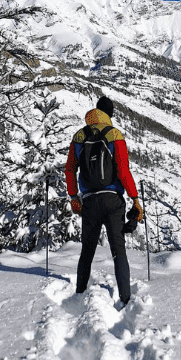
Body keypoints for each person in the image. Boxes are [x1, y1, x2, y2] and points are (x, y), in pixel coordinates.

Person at [65, 95, 143, 306]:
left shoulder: (79, 136)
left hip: (89, 201)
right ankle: (125, 300)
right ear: (109, 115)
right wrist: (135, 198)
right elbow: (123, 170)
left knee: (87, 250)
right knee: (118, 250)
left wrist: (74, 196)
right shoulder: (114, 134)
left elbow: (70, 169)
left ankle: (80, 294)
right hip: (113, 201)